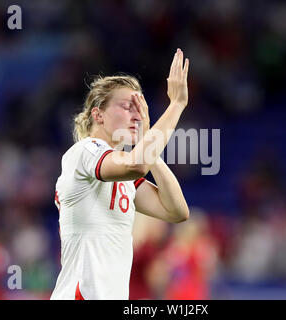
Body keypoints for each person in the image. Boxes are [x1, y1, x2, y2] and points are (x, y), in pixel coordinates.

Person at [50, 49, 190, 300]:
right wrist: (176, 105)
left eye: (140, 108)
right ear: (98, 114)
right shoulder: (84, 152)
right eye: (128, 106)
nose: (137, 115)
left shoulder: (124, 175)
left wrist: (149, 143)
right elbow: (137, 165)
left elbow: (177, 211)